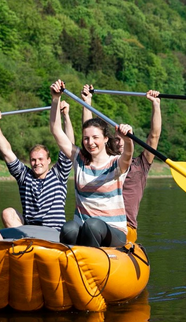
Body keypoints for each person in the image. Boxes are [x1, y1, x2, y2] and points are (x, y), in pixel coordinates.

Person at [49, 79, 135, 247]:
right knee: (69, 228)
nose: (90, 142)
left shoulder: (116, 164)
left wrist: (127, 138)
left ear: (105, 139)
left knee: (92, 224)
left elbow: (128, 154)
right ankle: (70, 262)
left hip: (113, 231)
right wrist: (55, 99)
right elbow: (56, 130)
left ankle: (92, 264)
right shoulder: (79, 159)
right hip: (84, 229)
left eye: (95, 138)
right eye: (86, 138)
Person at [81, 85, 161, 242]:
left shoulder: (141, 165)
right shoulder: (104, 163)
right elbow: (90, 132)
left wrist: (155, 105)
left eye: (125, 138)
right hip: (98, 223)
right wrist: (87, 101)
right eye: (117, 139)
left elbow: (154, 135)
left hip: (125, 228)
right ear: (110, 142)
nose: (121, 143)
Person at [0, 101, 75, 229]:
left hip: (55, 232)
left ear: (48, 160)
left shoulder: (59, 174)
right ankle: (23, 244)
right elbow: (6, 151)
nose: (37, 163)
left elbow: (69, 145)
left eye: (40, 159)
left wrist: (66, 116)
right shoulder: (24, 176)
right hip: (31, 233)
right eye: (33, 160)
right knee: (8, 213)